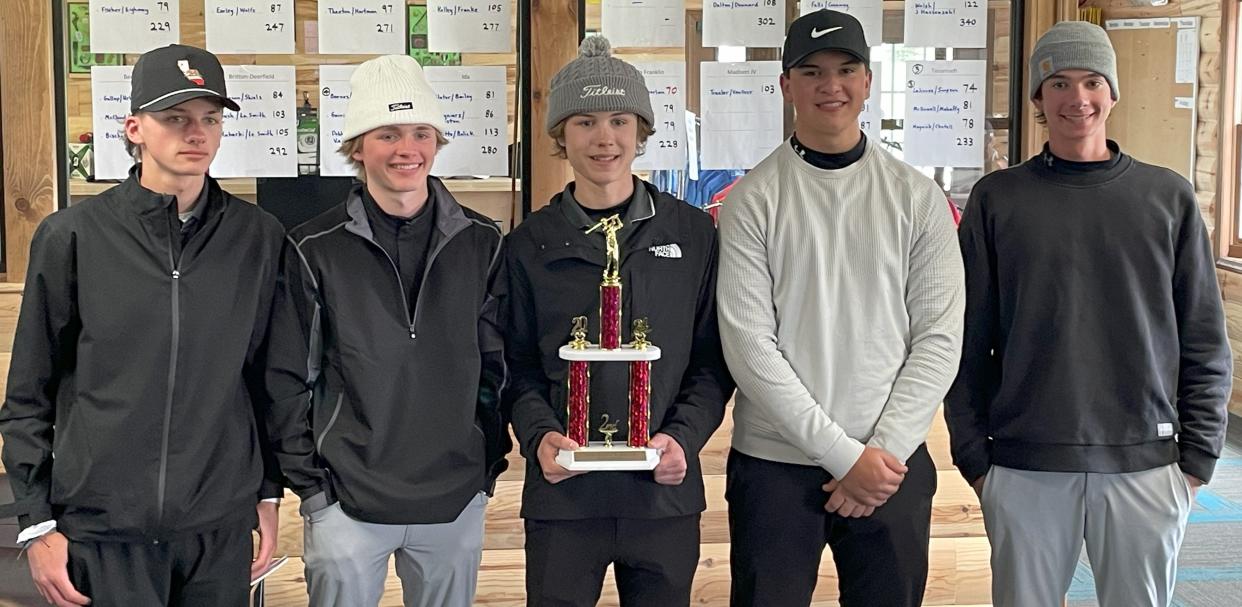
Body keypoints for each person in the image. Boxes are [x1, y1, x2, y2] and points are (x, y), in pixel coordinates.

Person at [944, 21, 1231, 607]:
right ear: (1039, 100)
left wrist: (1197, 458)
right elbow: (965, 341)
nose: (1078, 98)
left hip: (1147, 464)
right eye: (1060, 83)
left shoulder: (1167, 198)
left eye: (1093, 81)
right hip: (1024, 463)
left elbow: (1203, 336)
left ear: (1113, 92)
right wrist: (974, 457)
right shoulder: (998, 200)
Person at [0, 43, 284, 606]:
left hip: (217, 530)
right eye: (174, 118)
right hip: (103, 534)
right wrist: (35, 524)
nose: (195, 133)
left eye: (209, 119)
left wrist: (268, 495)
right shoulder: (72, 237)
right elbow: (29, 394)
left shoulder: (258, 237)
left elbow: (266, 380)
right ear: (135, 127)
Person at [716, 10, 965, 606]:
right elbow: (750, 346)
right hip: (775, 467)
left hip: (892, 464)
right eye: (812, 71)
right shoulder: (752, 200)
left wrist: (878, 455)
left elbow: (938, 338)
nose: (832, 85)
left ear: (868, 80)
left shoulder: (917, 197)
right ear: (786, 86)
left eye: (847, 69)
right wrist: (841, 456)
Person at [263, 54, 508, 607]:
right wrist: (313, 488)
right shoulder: (311, 248)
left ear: (437, 142)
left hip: (454, 498)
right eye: (388, 133)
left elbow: (499, 368)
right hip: (346, 502)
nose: (407, 149)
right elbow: (287, 379)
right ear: (358, 147)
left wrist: (483, 472)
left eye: (421, 132)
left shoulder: (483, 243)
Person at [504, 36, 733, 606]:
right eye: (584, 122)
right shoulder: (528, 245)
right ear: (560, 134)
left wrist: (683, 438)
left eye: (619, 120)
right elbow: (515, 365)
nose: (604, 138)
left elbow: (712, 360)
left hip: (662, 496)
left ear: (641, 131)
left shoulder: (692, 235)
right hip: (564, 499)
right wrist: (539, 438)